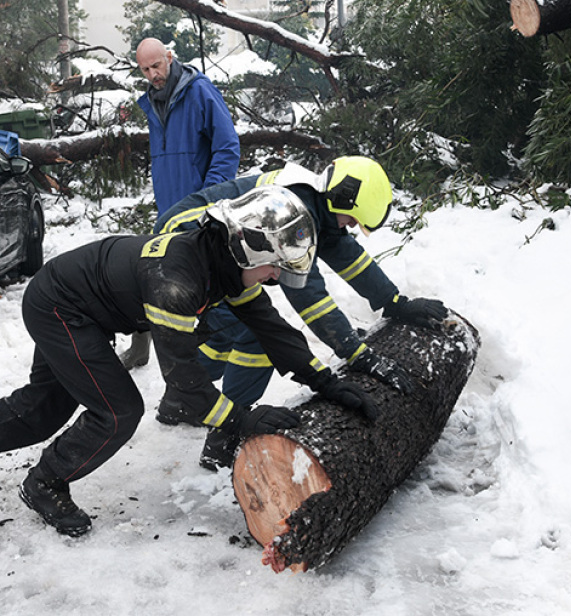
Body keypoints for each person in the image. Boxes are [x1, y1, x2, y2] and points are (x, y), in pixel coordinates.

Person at [0, 186, 377, 537]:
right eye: (274, 266)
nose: (276, 276)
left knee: (47, 404)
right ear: (250, 248)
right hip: (60, 305)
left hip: (80, 305)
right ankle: (44, 483)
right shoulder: (177, 282)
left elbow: (274, 331)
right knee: (117, 412)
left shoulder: (221, 261)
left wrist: (326, 382)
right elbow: (186, 389)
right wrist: (243, 419)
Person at [153, 156, 449, 471]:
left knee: (226, 329)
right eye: (351, 220)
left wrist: (393, 301)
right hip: (181, 245)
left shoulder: (319, 202)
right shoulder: (295, 210)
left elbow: (351, 259)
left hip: (205, 248)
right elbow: (309, 297)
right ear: (341, 198)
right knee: (255, 336)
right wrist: (356, 353)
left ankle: (178, 401)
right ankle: (224, 436)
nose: (351, 227)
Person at [120, 38, 241, 369]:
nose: (153, 74)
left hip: (201, 212)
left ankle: (224, 353)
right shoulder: (151, 102)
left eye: (156, 65)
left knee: (211, 285)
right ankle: (144, 348)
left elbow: (228, 147)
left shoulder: (199, 92)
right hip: (170, 212)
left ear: (170, 57)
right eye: (145, 69)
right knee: (158, 277)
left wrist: (208, 198)